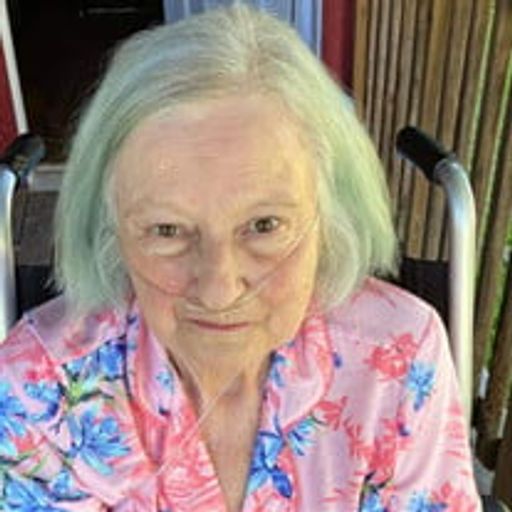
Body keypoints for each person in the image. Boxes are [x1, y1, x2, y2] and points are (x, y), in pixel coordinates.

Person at [0, 3, 481, 511]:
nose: (219, 290)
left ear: (331, 215)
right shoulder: (42, 386)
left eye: (264, 226)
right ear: (111, 230)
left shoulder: (397, 361)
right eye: (167, 230)